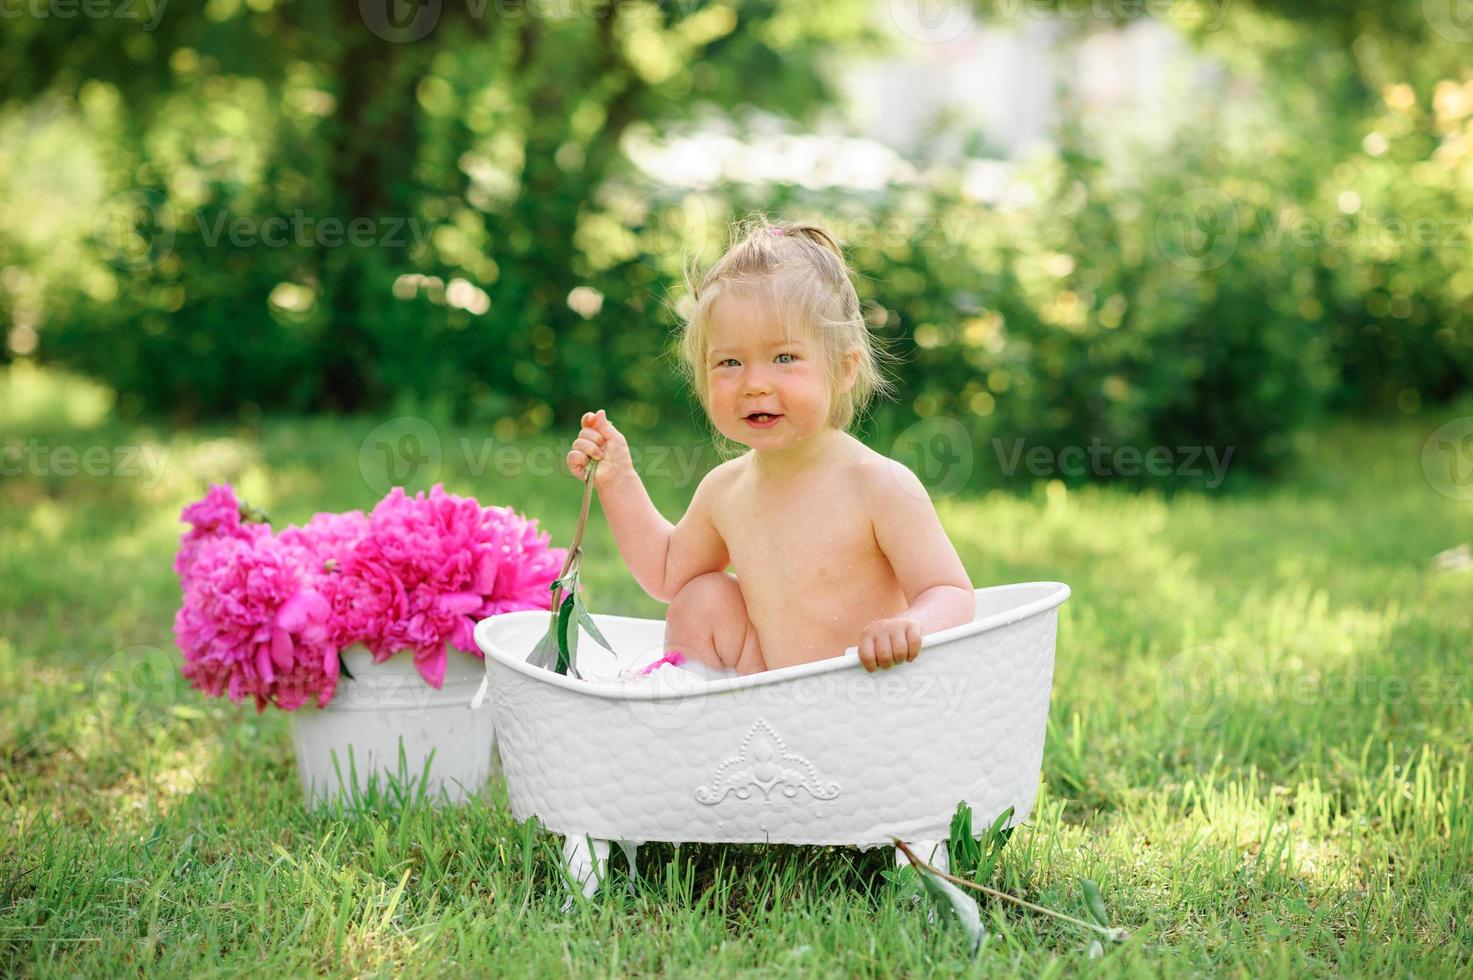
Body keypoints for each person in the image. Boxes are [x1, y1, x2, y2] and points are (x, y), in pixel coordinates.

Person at [565, 215, 974, 674]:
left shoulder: (879, 485)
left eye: (784, 357)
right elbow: (666, 572)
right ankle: (699, 716)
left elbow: (952, 593)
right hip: (771, 702)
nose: (755, 384)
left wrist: (910, 624)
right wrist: (619, 480)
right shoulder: (727, 490)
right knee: (702, 597)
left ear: (843, 368)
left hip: (867, 695)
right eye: (731, 362)